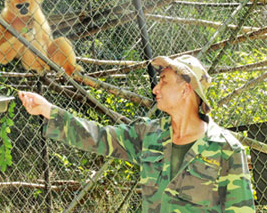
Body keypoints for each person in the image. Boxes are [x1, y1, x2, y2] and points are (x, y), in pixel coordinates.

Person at [18, 55, 255, 212]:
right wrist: (49, 110)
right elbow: (100, 136)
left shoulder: (226, 149)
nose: (155, 88)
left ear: (185, 90)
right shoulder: (148, 134)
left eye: (163, 81)